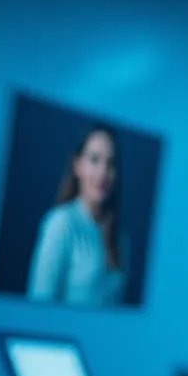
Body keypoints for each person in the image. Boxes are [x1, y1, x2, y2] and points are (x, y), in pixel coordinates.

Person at [26, 125, 129, 307]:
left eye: (110, 163)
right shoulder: (61, 223)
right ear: (78, 165)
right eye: (94, 160)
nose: (102, 172)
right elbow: (39, 303)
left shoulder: (120, 237)